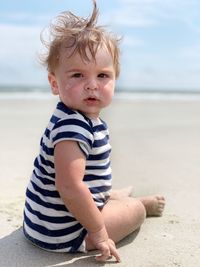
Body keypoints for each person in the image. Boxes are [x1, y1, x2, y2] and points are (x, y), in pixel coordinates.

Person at [23, 0, 165, 263]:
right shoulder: (73, 127)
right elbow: (69, 186)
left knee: (96, 189)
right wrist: (99, 232)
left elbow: (78, 180)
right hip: (63, 233)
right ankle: (132, 204)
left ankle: (108, 196)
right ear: (55, 83)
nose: (92, 85)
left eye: (102, 76)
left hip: (42, 223)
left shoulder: (73, 116)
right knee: (134, 211)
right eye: (77, 75)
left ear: (115, 78)